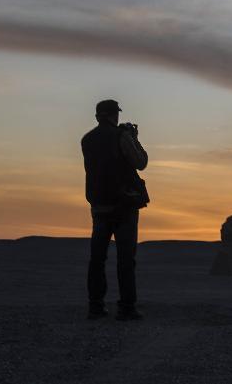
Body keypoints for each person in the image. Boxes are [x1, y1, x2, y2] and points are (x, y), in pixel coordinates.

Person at [81, 99, 149, 321]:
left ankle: (95, 306)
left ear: (97, 116)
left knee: (97, 258)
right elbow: (141, 162)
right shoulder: (122, 136)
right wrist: (133, 138)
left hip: (99, 206)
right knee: (125, 259)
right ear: (114, 115)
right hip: (124, 206)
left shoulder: (87, 139)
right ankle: (127, 307)